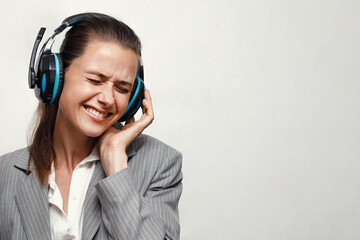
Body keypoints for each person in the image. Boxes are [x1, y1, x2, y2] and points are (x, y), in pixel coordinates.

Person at [0, 13, 182, 240]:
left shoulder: (160, 163)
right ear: (55, 77)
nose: (107, 98)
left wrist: (116, 167)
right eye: (95, 80)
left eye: (122, 88)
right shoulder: (5, 173)